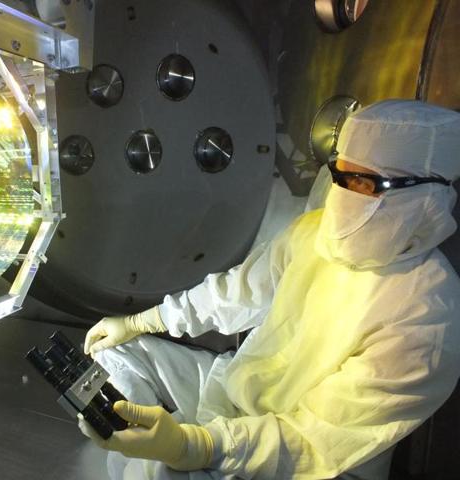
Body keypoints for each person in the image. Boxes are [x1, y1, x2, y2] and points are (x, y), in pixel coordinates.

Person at [78, 100, 460, 479]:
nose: (344, 198)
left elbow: (313, 438)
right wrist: (142, 321)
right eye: (340, 175)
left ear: (425, 196)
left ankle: (152, 452)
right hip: (241, 391)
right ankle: (139, 436)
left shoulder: (428, 319)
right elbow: (236, 294)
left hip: (308, 460)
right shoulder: (315, 232)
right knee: (116, 352)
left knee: (154, 473)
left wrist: (197, 446)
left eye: (365, 183)